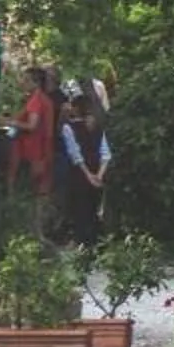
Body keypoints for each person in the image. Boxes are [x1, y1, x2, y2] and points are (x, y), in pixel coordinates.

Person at [55, 89, 110, 248]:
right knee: (94, 208)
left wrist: (88, 175)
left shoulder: (69, 128)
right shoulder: (98, 128)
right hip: (98, 171)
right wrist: (99, 175)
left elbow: (75, 154)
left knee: (79, 209)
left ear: (75, 108)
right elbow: (105, 153)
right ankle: (95, 242)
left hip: (79, 174)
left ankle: (82, 242)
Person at [6, 66, 59, 228]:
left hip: (33, 153)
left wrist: (10, 122)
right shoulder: (44, 99)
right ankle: (39, 230)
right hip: (43, 150)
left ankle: (29, 229)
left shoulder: (36, 100)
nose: (21, 82)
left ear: (34, 82)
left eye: (25, 79)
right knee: (41, 193)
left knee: (31, 192)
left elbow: (32, 125)